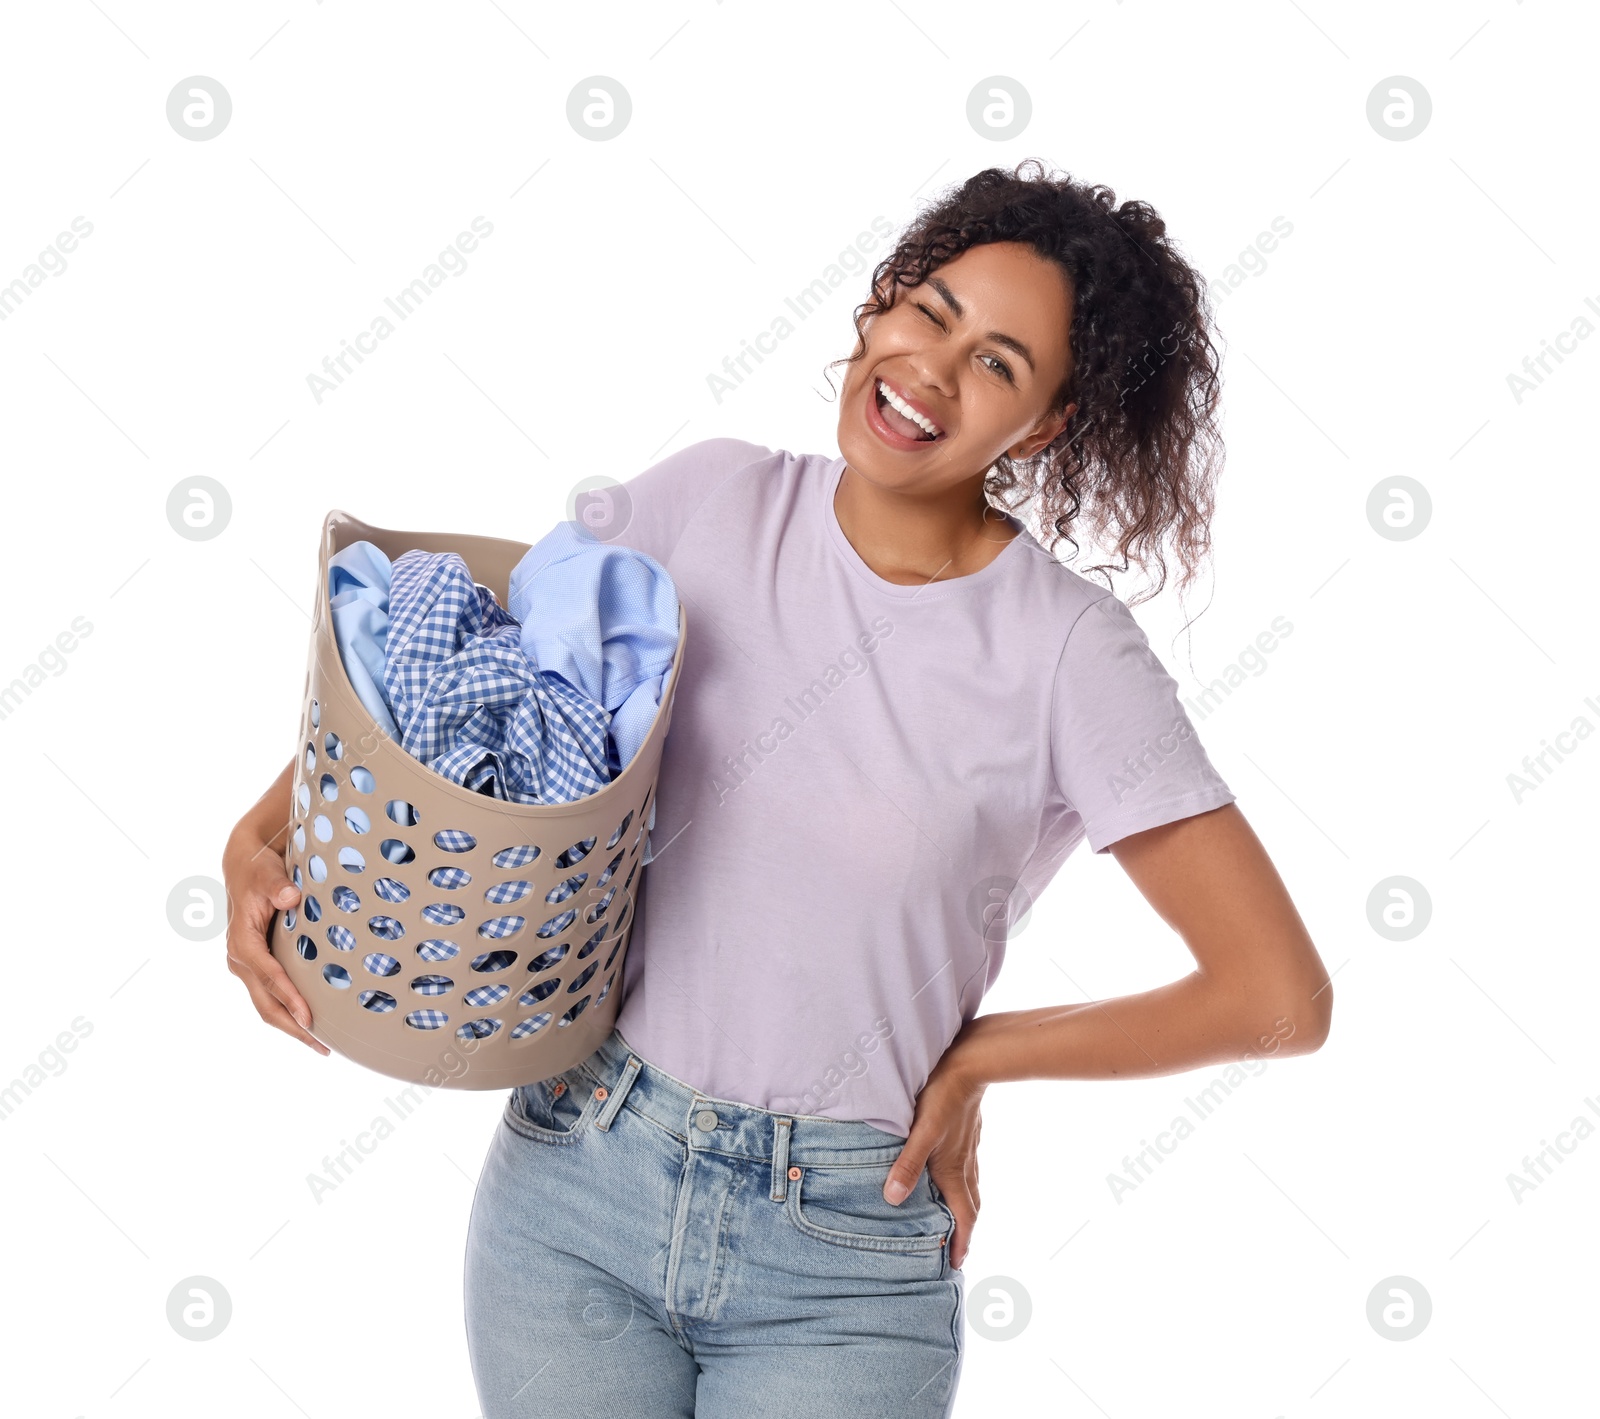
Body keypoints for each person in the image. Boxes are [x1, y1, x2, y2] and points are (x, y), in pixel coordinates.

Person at [222, 159, 1333, 1418]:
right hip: (579, 1173)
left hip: (843, 1258)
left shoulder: (1068, 653)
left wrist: (979, 1061)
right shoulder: (708, 500)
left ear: (1047, 426)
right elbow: (471, 678)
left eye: (1000, 364)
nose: (930, 368)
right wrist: (259, 835)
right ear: (877, 309)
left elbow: (1276, 996)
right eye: (930, 311)